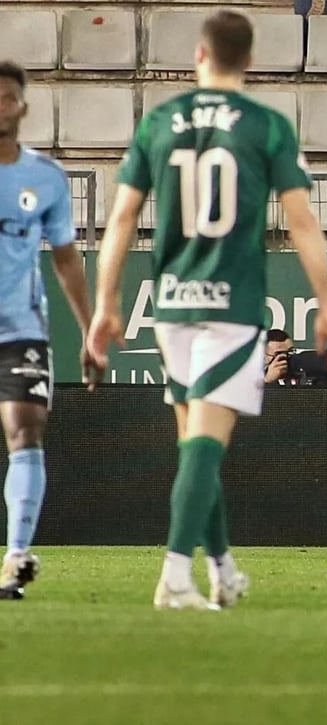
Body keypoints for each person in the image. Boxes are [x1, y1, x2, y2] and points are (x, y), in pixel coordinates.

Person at [87, 10, 327, 610]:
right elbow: (302, 222)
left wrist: (106, 303)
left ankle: (224, 570)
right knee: (207, 441)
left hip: (173, 305)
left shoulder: (160, 121)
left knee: (194, 442)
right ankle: (176, 576)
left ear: (199, 56)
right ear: (248, 62)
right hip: (232, 306)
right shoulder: (267, 125)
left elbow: (121, 218)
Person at [0, 62, 100, 601]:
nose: (1, 106)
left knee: (25, 426)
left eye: (8, 98)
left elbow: (65, 259)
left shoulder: (45, 178)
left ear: (22, 106)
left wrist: (89, 331)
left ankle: (15, 558)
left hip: (20, 327)